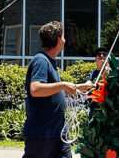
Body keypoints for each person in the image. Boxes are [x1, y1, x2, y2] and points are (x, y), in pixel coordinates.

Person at [24, 22, 93, 158]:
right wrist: (62, 85)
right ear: (58, 39)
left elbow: (52, 90)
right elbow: (36, 89)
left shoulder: (49, 62)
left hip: (58, 132)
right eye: (63, 37)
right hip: (42, 134)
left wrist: (79, 87)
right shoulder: (41, 60)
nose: (65, 40)